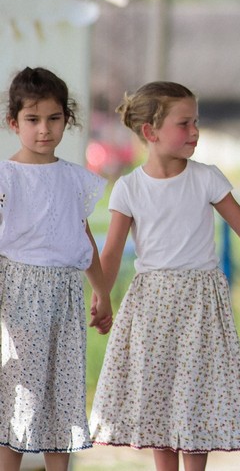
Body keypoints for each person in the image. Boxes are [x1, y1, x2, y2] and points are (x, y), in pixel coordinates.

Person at [88, 81, 240, 471]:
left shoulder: (207, 178)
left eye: (196, 122)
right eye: (184, 124)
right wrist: (102, 296)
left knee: (196, 395)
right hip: (152, 306)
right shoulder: (129, 188)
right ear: (150, 132)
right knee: (160, 396)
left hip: (201, 305)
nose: (195, 131)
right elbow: (111, 253)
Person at [0, 67, 111, 471]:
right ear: (14, 122)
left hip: (65, 296)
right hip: (17, 294)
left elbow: (82, 237)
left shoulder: (74, 179)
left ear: (68, 118)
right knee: (18, 393)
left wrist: (102, 292)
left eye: (54, 118)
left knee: (62, 391)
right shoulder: (5, 177)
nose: (44, 129)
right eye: (32, 119)